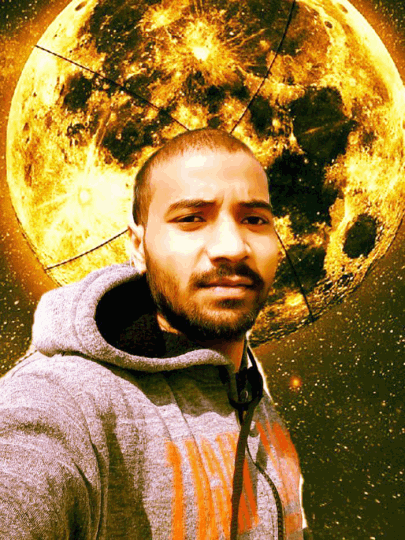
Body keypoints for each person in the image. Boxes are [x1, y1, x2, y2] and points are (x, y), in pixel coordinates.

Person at [0, 128, 307, 539]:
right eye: (192, 219)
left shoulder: (251, 392)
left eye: (254, 220)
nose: (232, 247)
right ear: (138, 246)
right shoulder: (66, 400)